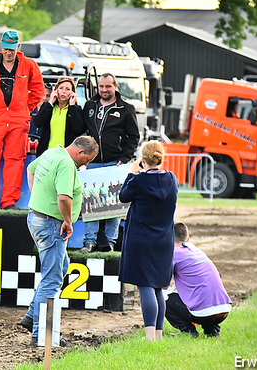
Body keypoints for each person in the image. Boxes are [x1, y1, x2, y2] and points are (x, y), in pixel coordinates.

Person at [18, 136, 98, 345]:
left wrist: (37, 195)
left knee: (61, 267)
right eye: (87, 159)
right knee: (52, 279)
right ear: (81, 153)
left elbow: (31, 169)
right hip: (51, 224)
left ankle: (32, 316)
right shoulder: (66, 164)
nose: (86, 164)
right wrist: (68, 221)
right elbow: (64, 197)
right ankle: (42, 335)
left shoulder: (52, 152)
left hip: (37, 217)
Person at [0, 30, 44, 210]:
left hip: (18, 120)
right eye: (6, 48)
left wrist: (24, 109)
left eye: (12, 49)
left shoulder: (29, 65)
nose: (9, 52)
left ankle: (9, 202)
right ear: (1, 46)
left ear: (18, 47)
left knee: (15, 160)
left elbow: (38, 91)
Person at [118, 140, 178, 341]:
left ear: (143, 160)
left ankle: (149, 335)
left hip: (140, 240)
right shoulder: (172, 179)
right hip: (164, 240)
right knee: (158, 286)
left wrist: (131, 173)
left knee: (144, 286)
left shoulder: (139, 181)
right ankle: (158, 336)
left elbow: (123, 196)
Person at [81, 72, 140, 253]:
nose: (104, 90)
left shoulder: (125, 108)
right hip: (93, 163)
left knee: (113, 206)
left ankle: (109, 243)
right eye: (101, 86)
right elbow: (82, 130)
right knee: (91, 203)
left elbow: (134, 136)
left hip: (116, 164)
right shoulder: (90, 106)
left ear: (115, 87)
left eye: (108, 86)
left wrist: (124, 159)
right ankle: (89, 242)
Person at [165, 222, 231, 338]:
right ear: (188, 239)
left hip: (203, 314)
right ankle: (212, 331)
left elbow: (163, 283)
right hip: (224, 310)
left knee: (163, 297)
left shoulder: (173, 254)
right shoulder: (196, 251)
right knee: (201, 292)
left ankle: (188, 331)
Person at [32, 77, 86, 157]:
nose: (63, 91)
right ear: (56, 90)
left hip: (65, 155)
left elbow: (79, 129)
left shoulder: (76, 109)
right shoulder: (48, 106)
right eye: (61, 88)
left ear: (72, 93)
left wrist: (72, 107)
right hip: (46, 154)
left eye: (68, 89)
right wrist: (50, 102)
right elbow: (37, 122)